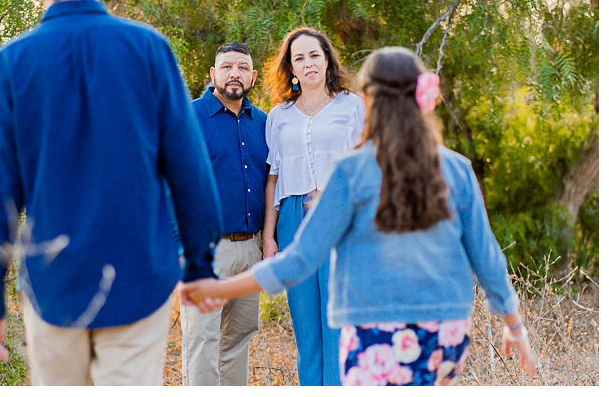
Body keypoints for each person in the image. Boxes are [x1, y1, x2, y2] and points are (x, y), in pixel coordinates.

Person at [182, 47, 537, 387]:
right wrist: (514, 324)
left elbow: (300, 259)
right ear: (425, 97)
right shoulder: (457, 169)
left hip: (372, 332)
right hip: (444, 331)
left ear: (366, 102)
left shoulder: (351, 171)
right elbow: (487, 256)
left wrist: (221, 287)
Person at [0, 0, 222, 386]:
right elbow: (189, 170)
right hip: (139, 272)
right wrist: (201, 264)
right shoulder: (149, 49)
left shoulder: (9, 64)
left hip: (54, 280)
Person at [260, 27, 364, 385]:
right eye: (298, 58)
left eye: (314, 55)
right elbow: (273, 176)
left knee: (337, 325)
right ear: (290, 67)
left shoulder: (351, 106)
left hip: (339, 217)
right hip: (292, 220)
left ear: (327, 60)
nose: (307, 64)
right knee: (306, 327)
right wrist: (269, 237)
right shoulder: (278, 115)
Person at [179, 42, 268, 385]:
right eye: (227, 67)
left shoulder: (261, 121)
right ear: (213, 74)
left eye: (243, 68)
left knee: (238, 339)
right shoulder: (188, 117)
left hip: (251, 249)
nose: (235, 73)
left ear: (253, 76)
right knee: (202, 340)